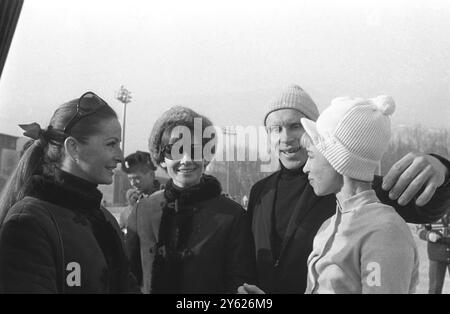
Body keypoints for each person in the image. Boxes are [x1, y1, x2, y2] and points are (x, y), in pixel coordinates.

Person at [239, 85, 450, 294]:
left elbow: (426, 206)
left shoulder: (356, 190)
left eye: (295, 126)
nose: (285, 137)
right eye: (275, 129)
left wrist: (442, 172)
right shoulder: (260, 192)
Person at [0, 91, 136, 293]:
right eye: (111, 144)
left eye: (119, 144)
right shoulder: (28, 221)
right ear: (73, 148)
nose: (120, 156)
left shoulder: (106, 220)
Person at [126, 106, 256, 294]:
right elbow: (128, 276)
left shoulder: (233, 216)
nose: (186, 160)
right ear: (162, 159)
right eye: (175, 151)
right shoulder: (142, 211)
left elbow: (239, 283)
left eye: (194, 150)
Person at [302, 96, 418, 293]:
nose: (306, 168)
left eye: (311, 156)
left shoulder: (383, 231)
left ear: (338, 159)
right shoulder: (328, 226)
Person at [419, 212, 450, 294]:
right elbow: (420, 229)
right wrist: (428, 235)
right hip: (436, 255)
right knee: (435, 289)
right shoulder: (432, 210)